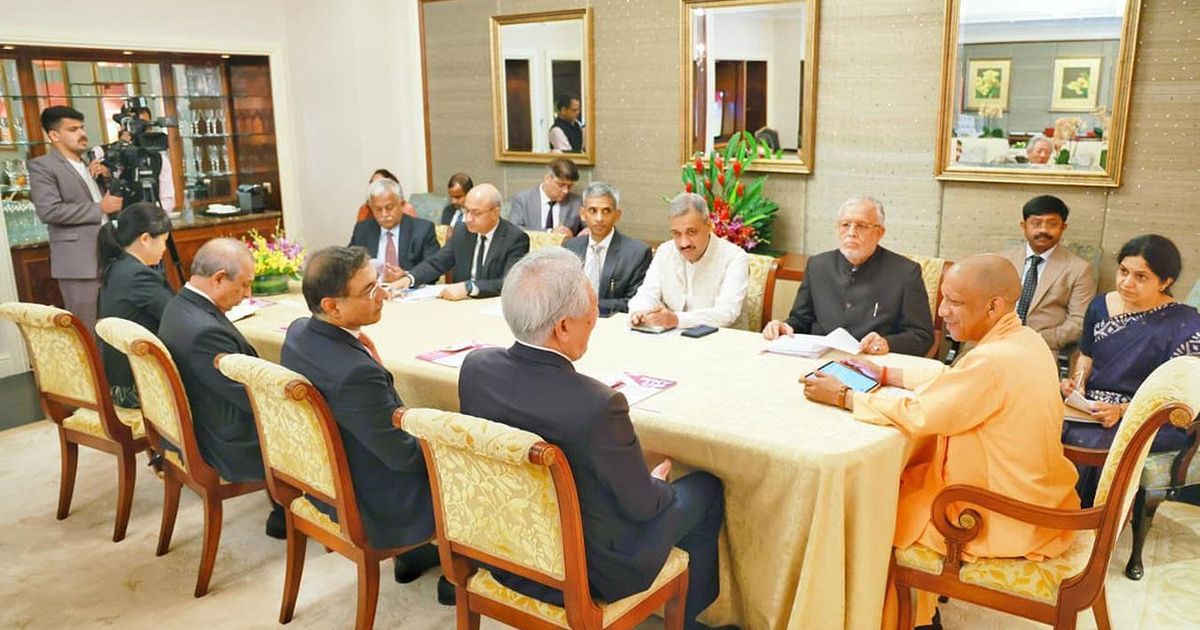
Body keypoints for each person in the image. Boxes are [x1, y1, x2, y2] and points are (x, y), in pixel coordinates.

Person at [802, 254, 1079, 629]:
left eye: (955, 302)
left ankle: (891, 620)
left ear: (994, 306)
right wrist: (885, 373)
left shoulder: (993, 360)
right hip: (1037, 499)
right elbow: (957, 384)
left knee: (869, 508)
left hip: (997, 515)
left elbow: (921, 414)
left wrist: (843, 396)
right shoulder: (1025, 339)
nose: (943, 312)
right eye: (943, 298)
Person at [459, 248, 727, 630]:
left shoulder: (475, 368)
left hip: (501, 551)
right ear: (563, 327)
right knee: (706, 488)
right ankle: (689, 621)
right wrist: (656, 484)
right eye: (591, 312)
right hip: (589, 571)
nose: (595, 318)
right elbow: (643, 505)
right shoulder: (597, 405)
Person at [281, 245, 450, 594]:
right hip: (376, 498)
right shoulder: (355, 374)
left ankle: (416, 553)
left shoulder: (299, 332)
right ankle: (459, 574)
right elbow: (403, 456)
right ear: (332, 306)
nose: (383, 295)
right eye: (370, 290)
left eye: (379, 283)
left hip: (325, 479)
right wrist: (450, 448)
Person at [157, 237, 284, 538]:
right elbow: (251, 400)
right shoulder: (205, 333)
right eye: (244, 285)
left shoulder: (179, 306)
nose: (248, 294)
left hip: (206, 418)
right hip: (227, 442)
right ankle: (293, 513)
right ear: (218, 278)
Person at [1061, 235, 1200, 507]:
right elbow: (1086, 356)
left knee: (1087, 440)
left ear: (1166, 282)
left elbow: (1179, 393)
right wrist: (1077, 384)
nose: (1126, 282)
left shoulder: (1185, 322)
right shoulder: (1100, 306)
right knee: (1044, 425)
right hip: (1092, 407)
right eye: (1123, 271)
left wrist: (1122, 411)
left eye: (1141, 277)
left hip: (1149, 417)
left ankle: (1091, 519)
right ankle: (1041, 513)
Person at [762, 195, 934, 355]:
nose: (851, 232)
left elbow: (922, 335)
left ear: (879, 233)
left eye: (861, 226)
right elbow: (800, 320)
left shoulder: (905, 272)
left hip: (871, 361)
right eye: (845, 225)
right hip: (821, 358)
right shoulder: (817, 265)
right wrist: (784, 327)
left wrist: (888, 343)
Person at [28, 106, 124, 330]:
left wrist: (106, 178)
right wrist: (99, 208)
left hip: (108, 254)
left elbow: (104, 200)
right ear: (54, 135)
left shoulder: (89, 163)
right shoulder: (42, 166)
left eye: (82, 127)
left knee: (112, 327)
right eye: (73, 129)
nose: (82, 133)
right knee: (86, 330)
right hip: (78, 262)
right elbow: (49, 211)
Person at [628, 192, 749, 330]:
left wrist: (676, 320)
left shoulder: (735, 257)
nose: (684, 243)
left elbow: (726, 314)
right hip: (670, 337)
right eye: (676, 234)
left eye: (691, 232)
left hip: (720, 338)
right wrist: (639, 311)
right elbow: (646, 294)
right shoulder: (665, 251)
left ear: (709, 226)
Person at [97, 202, 175, 408]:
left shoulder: (117, 267)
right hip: (135, 388)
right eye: (163, 241)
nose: (165, 249)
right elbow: (175, 316)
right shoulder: (137, 276)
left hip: (120, 382)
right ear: (145, 239)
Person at [393, 183, 529, 300]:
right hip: (460, 304)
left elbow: (509, 283)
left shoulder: (515, 239)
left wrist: (470, 287)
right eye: (466, 211)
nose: (468, 218)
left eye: (476, 213)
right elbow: (437, 263)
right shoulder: (462, 231)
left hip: (492, 305)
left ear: (495, 213)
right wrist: (409, 279)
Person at [1001, 195, 1096, 351]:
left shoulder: (1079, 269)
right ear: (1023, 226)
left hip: (1043, 348)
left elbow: (1079, 322)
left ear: (1063, 227)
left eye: (1052, 224)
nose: (1043, 230)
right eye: (1036, 223)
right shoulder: (1003, 260)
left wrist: (1034, 338)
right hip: (996, 341)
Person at [563, 182, 651, 314]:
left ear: (617, 215)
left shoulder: (637, 253)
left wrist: (587, 306)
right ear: (582, 214)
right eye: (593, 211)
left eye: (606, 211)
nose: (599, 218)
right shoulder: (570, 247)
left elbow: (635, 302)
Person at [348, 178, 439, 282]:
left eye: (389, 208)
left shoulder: (422, 230)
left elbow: (433, 269)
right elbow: (349, 265)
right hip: (374, 289)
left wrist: (407, 276)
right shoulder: (363, 230)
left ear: (402, 204)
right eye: (378, 209)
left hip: (410, 288)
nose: (384, 214)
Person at [508, 157, 584, 236]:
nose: (566, 191)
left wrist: (586, 231)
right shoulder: (523, 200)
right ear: (547, 178)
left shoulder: (576, 202)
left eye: (569, 186)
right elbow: (513, 230)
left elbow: (587, 226)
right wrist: (549, 233)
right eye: (561, 185)